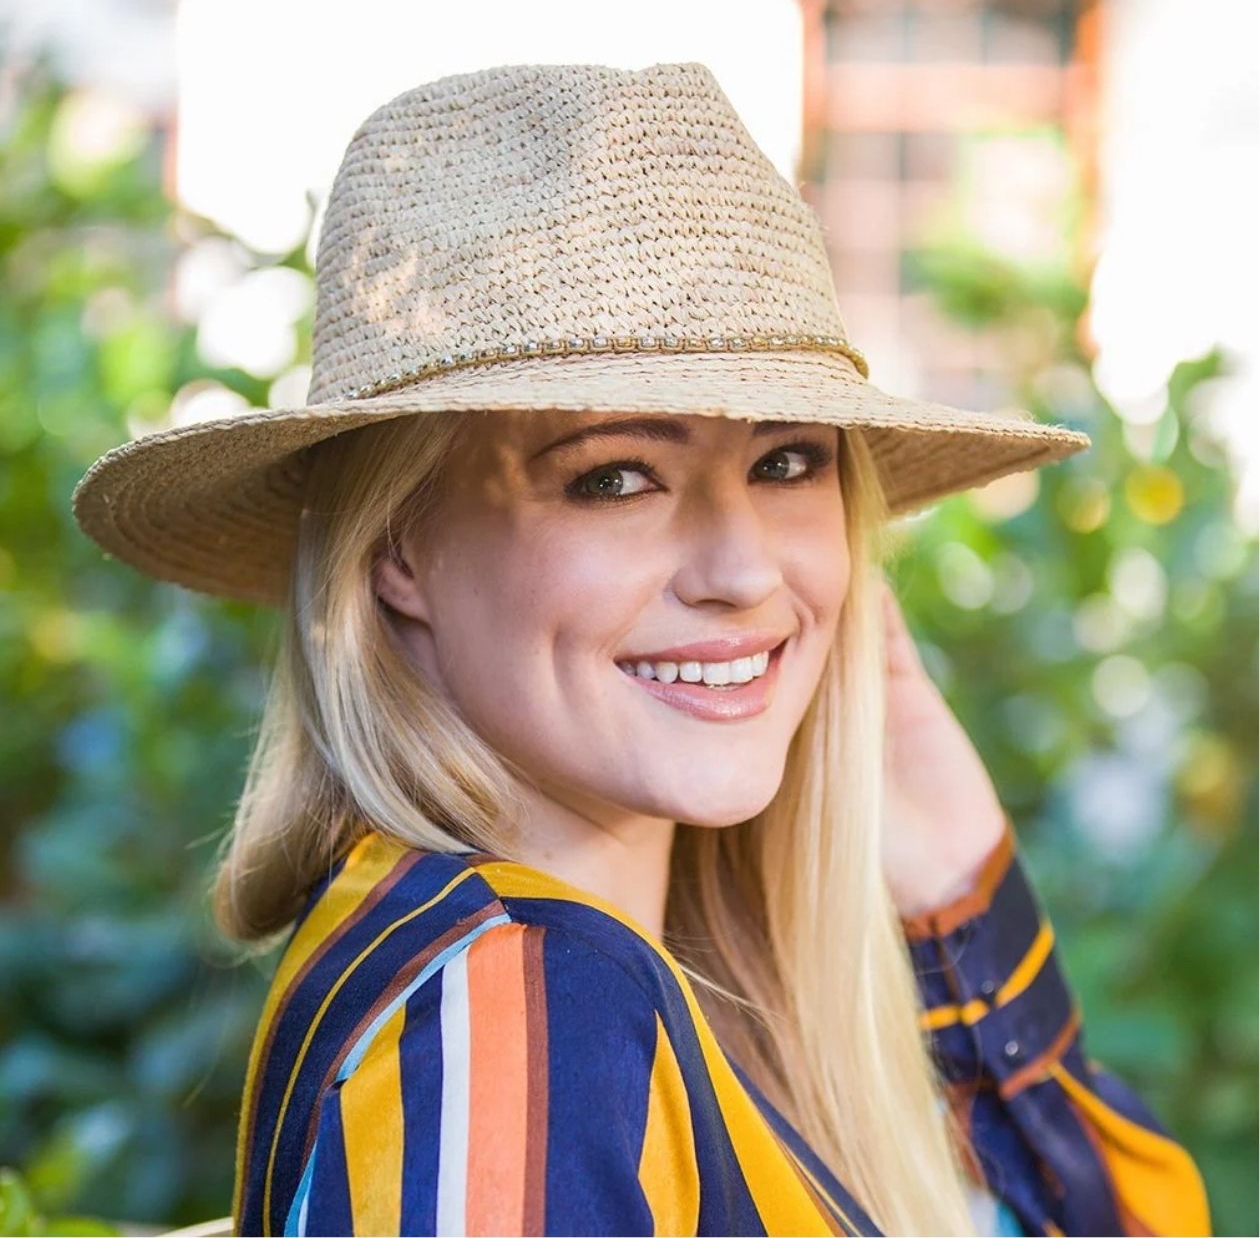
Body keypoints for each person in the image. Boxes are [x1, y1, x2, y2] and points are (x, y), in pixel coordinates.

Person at [71, 62, 1211, 1237]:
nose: (742, 571)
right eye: (614, 477)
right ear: (398, 549)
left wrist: (952, 893)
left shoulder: (621, 994)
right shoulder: (519, 998)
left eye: (785, 462)